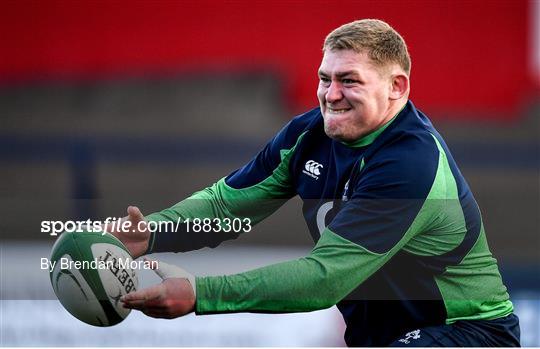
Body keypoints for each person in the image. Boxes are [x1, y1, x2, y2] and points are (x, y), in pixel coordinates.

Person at [111, 19, 520, 346]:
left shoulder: (411, 165)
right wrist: (149, 233)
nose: (331, 94)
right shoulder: (309, 133)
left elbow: (322, 278)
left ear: (397, 87)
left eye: (350, 80)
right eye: (325, 78)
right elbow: (227, 205)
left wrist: (200, 294)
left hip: (471, 333)